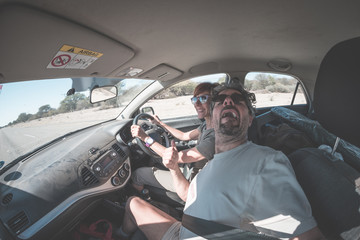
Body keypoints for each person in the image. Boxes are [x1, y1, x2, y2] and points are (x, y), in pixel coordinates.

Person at [118, 81, 325, 240]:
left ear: (250, 118)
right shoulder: (213, 162)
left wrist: (145, 138)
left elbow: (306, 235)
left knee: (132, 202)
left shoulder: (266, 162)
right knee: (134, 203)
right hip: (185, 228)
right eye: (220, 100)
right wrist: (173, 169)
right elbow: (189, 195)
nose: (228, 101)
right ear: (213, 115)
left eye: (237, 99)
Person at [130, 82, 218, 194]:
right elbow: (184, 136)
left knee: (138, 174)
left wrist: (145, 138)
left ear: (215, 102)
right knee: (154, 159)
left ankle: (143, 201)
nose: (197, 104)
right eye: (195, 99)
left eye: (203, 98)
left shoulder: (214, 137)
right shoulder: (206, 125)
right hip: (191, 169)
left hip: (194, 183)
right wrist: (161, 124)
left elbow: (175, 158)